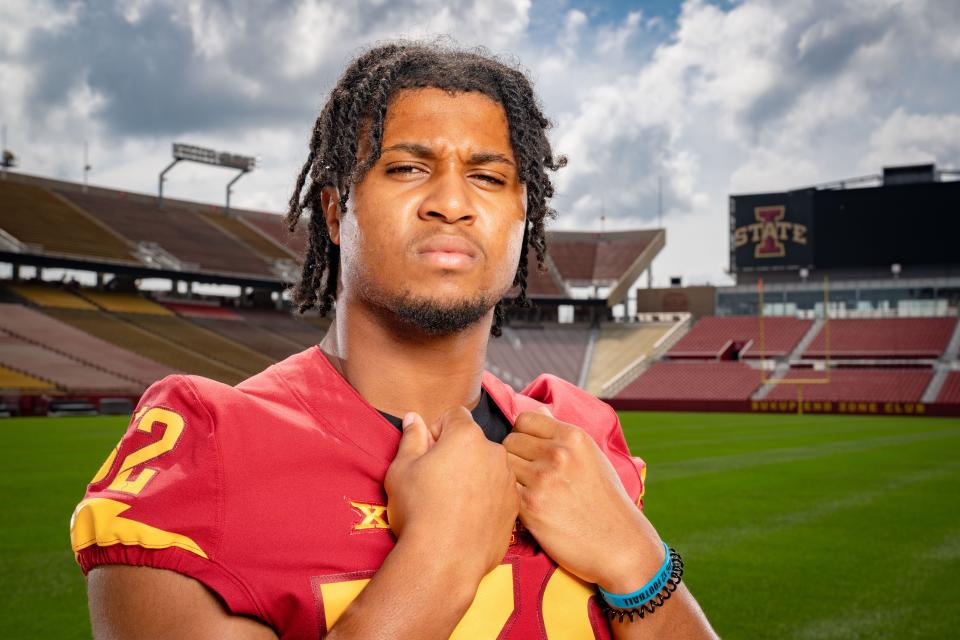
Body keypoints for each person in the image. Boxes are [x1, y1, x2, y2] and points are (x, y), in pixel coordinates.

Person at [71, 42, 717, 639]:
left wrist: (639, 562)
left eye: (489, 178)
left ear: (525, 216)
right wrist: (440, 561)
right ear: (333, 210)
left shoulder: (577, 440)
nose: (452, 203)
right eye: (407, 167)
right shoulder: (208, 452)